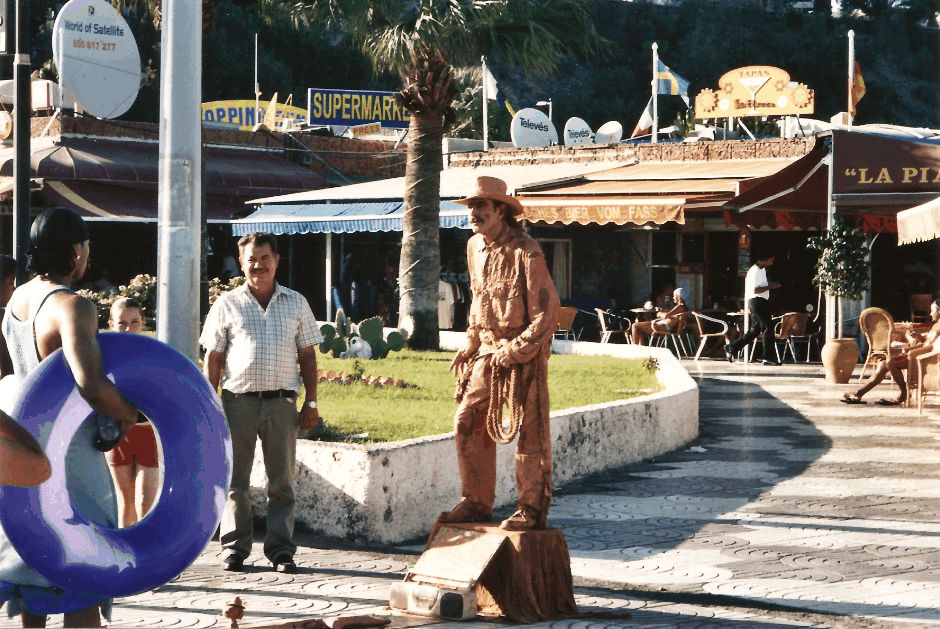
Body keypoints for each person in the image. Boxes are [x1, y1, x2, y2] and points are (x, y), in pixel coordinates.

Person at [0, 207, 139, 628]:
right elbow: (90, 385)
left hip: (26, 449)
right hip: (71, 456)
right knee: (84, 580)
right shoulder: (72, 307)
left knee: (36, 585)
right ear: (77, 250)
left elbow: (8, 374)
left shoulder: (18, 299)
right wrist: (129, 415)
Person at [438, 176, 560, 532]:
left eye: (481, 207)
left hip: (523, 353)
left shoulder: (527, 250)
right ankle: (476, 502)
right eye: (472, 207)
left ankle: (531, 509)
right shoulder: (474, 247)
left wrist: (515, 351)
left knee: (530, 433)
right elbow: (478, 299)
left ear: (500, 211)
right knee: (466, 420)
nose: (474, 213)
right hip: (488, 351)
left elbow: (547, 315)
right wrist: (471, 342)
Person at [201, 232, 322, 574]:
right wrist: (210, 406)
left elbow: (308, 357)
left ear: (277, 260)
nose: (258, 265)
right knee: (234, 480)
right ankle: (235, 549)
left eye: (264, 258)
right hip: (237, 403)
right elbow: (213, 359)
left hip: (282, 404)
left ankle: (281, 550)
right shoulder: (226, 304)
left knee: (281, 481)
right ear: (241, 264)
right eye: (251, 259)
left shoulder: (296, 302)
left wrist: (310, 403)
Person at [105, 298, 160, 528]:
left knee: (145, 505)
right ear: (111, 324)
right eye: (122, 323)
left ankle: (146, 559)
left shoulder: (154, 353)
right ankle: (127, 560)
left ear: (143, 322)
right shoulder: (104, 355)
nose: (128, 328)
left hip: (147, 433)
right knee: (125, 504)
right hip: (118, 434)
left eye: (134, 322)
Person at [842, 301, 940, 406]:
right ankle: (859, 394)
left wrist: (913, 349)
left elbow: (932, 348)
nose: (930, 314)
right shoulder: (936, 325)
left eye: (932, 311)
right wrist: (918, 337)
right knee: (883, 364)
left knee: (891, 362)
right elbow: (927, 344)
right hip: (918, 355)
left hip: (924, 360)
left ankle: (904, 393)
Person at [725, 249, 780, 366]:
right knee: (768, 327)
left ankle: (733, 347)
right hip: (756, 300)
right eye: (770, 261)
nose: (771, 263)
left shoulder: (762, 270)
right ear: (764, 259)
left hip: (760, 300)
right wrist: (771, 287)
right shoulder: (754, 271)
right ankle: (768, 357)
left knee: (756, 330)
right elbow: (755, 289)